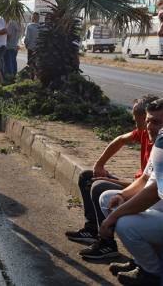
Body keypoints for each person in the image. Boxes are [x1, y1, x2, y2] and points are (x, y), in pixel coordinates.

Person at [65, 95, 159, 259]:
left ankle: (107, 243)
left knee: (99, 187)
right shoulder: (146, 133)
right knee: (88, 176)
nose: (143, 127)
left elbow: (150, 187)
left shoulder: (158, 143)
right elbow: (120, 140)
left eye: (145, 122)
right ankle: (92, 229)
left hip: (150, 197)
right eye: (143, 122)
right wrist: (99, 164)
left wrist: (112, 182)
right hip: (141, 187)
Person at [98, 99, 163, 285]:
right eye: (149, 120)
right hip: (156, 211)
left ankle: (151, 273)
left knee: (126, 224)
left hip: (159, 211)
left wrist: (112, 217)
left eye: (157, 122)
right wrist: (122, 196)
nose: (149, 126)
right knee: (107, 198)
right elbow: (144, 179)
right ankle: (140, 261)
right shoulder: (159, 142)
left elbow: (152, 192)